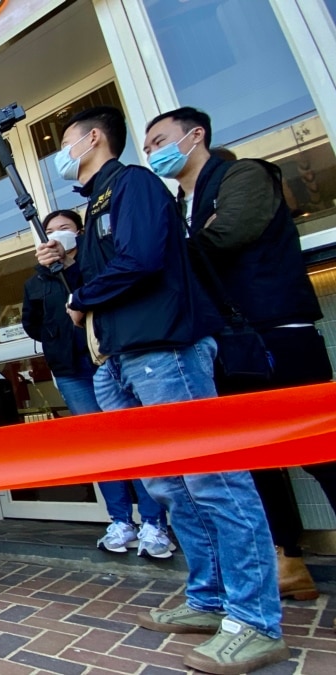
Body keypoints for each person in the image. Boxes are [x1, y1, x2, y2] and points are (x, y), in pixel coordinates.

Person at [41, 105, 286, 674]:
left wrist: (84, 294)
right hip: (122, 359)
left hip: (165, 351)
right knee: (171, 484)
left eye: (66, 141)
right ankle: (209, 598)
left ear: (93, 140)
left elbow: (144, 260)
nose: (62, 154)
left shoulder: (134, 184)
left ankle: (255, 621)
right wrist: (70, 271)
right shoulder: (97, 201)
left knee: (215, 479)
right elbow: (104, 284)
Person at [145, 106, 333, 603]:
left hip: (277, 332)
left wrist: (160, 256)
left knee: (320, 451)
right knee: (255, 460)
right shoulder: (180, 203)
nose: (152, 153)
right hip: (229, 345)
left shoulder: (244, 175)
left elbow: (230, 234)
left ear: (195, 135)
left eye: (159, 140)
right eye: (146, 149)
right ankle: (287, 559)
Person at [21, 211, 170, 558]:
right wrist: (56, 336)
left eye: (65, 229)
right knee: (100, 447)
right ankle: (120, 520)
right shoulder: (37, 280)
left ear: (80, 233)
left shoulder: (96, 262)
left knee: (133, 441)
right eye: (50, 231)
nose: (57, 235)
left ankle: (154, 522)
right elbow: (33, 323)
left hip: (109, 362)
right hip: (71, 371)